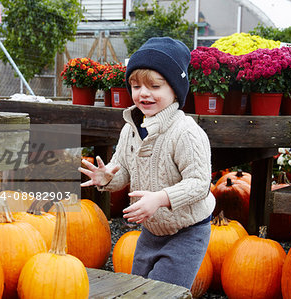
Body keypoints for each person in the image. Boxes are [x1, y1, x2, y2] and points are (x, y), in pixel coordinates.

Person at [79, 37, 215, 289]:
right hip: (152, 229)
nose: (143, 93)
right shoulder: (131, 128)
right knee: (138, 288)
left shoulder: (185, 132)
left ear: (175, 89)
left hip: (187, 230)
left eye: (154, 85)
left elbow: (199, 184)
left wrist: (160, 198)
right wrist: (108, 178)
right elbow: (124, 170)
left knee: (163, 292)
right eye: (136, 85)